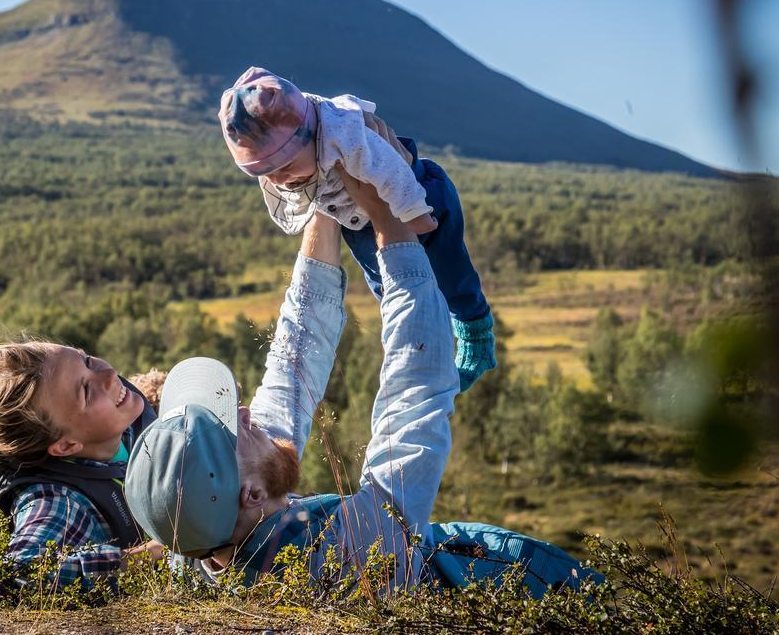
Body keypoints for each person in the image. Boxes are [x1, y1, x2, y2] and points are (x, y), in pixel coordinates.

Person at [125, 170, 601, 595]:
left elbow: (293, 366)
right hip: (538, 591)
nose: (245, 412)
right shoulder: (349, 551)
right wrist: (386, 218)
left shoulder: (202, 546)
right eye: (234, 430)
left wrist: (323, 201)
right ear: (250, 494)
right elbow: (414, 391)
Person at [219, 66, 495, 391]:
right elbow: (289, 194)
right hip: (360, 224)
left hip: (419, 195)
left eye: (286, 167)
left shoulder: (347, 133)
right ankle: (422, 351)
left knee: (451, 275)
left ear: (311, 134)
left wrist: (415, 214)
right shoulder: (293, 148)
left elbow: (393, 169)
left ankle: (476, 335)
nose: (279, 179)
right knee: (386, 286)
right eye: (266, 173)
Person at [0, 341, 166, 590]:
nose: (109, 374)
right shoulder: (58, 501)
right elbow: (23, 572)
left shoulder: (117, 425)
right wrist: (146, 557)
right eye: (85, 391)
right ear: (66, 446)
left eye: (87, 361)